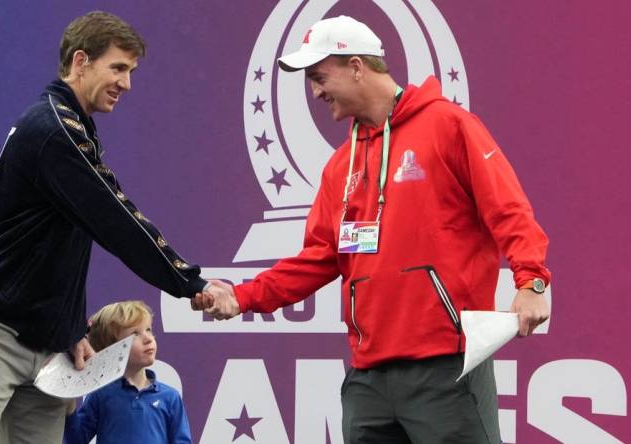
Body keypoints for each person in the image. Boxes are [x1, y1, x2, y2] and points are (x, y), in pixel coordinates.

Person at [193, 15, 551, 443]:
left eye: (320, 76)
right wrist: (243, 296)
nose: (315, 91)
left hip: (446, 369)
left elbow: (508, 209)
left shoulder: (449, 126)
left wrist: (531, 280)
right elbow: (319, 258)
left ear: (357, 66)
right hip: (369, 380)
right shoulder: (340, 166)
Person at [0, 11, 225, 444]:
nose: (126, 83)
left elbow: (52, 245)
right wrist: (190, 282)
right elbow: (116, 219)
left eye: (131, 71)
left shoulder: (70, 128)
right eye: (118, 68)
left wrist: (67, 328)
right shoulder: (55, 131)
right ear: (80, 62)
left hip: (46, 348)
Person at [64, 300, 192, 444]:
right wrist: (68, 404)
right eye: (135, 334)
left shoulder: (170, 397)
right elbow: (76, 439)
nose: (148, 339)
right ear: (112, 347)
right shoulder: (100, 394)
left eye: (148, 330)